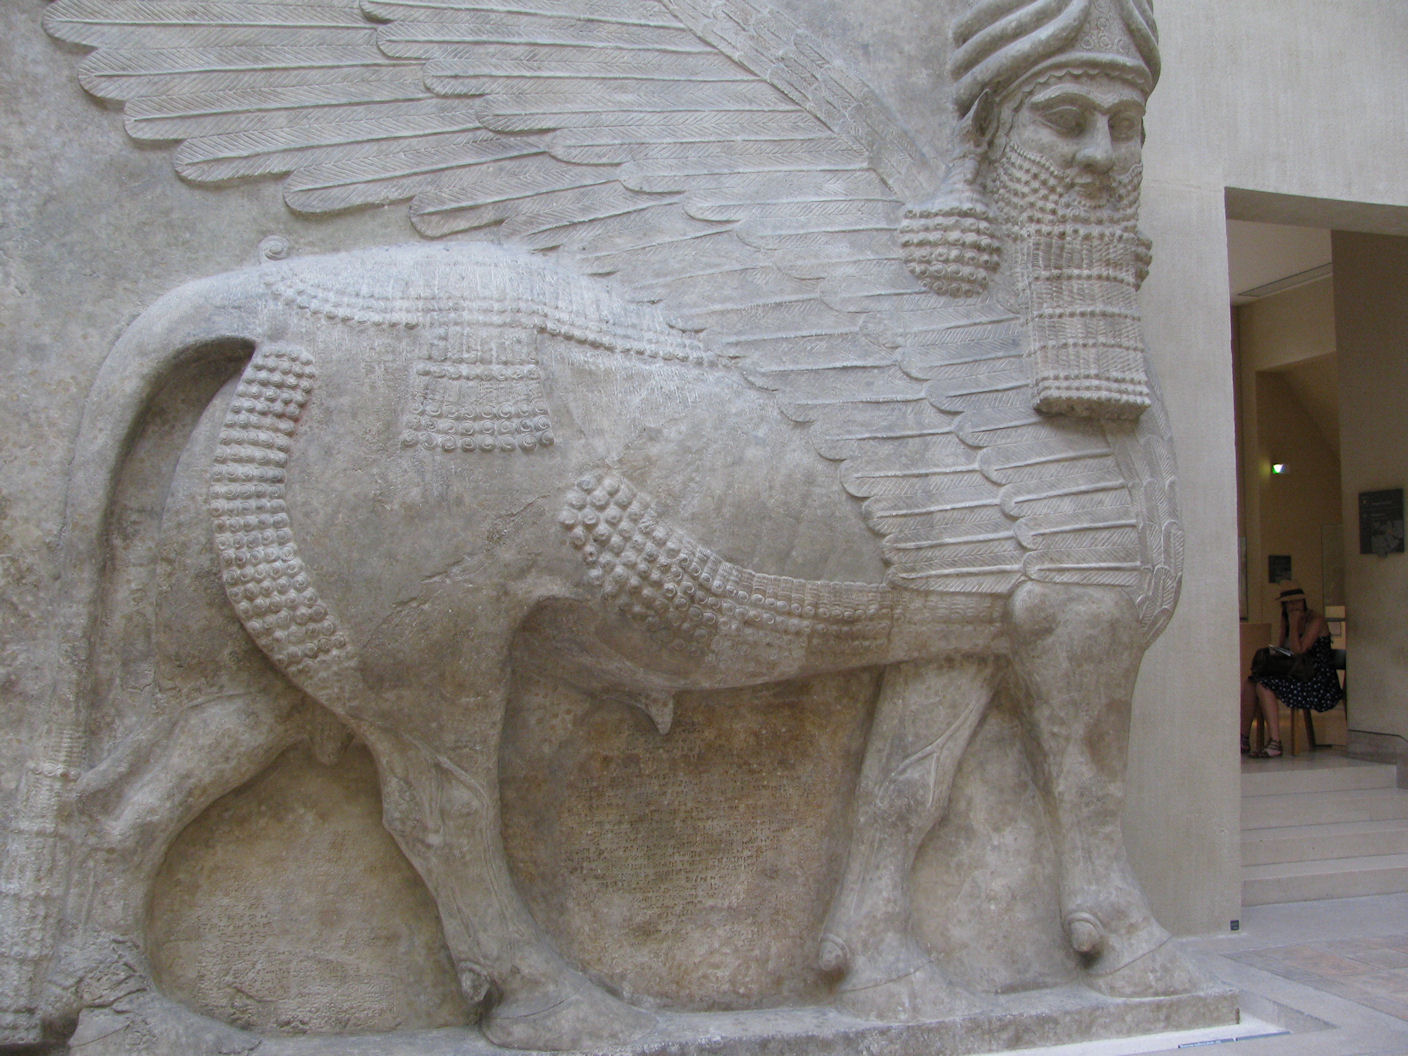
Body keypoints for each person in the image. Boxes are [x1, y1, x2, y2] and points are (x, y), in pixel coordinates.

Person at [1241, 580, 1344, 758]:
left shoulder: (1316, 620)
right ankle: (1243, 738)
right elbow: (1284, 649)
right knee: (1251, 683)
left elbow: (1299, 650)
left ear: (1303, 601)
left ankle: (1275, 742)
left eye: (1296, 601)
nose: (1293, 606)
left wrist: (1295, 625)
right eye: (1288, 603)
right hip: (1295, 672)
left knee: (1264, 686)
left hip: (1316, 679)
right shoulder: (1286, 619)